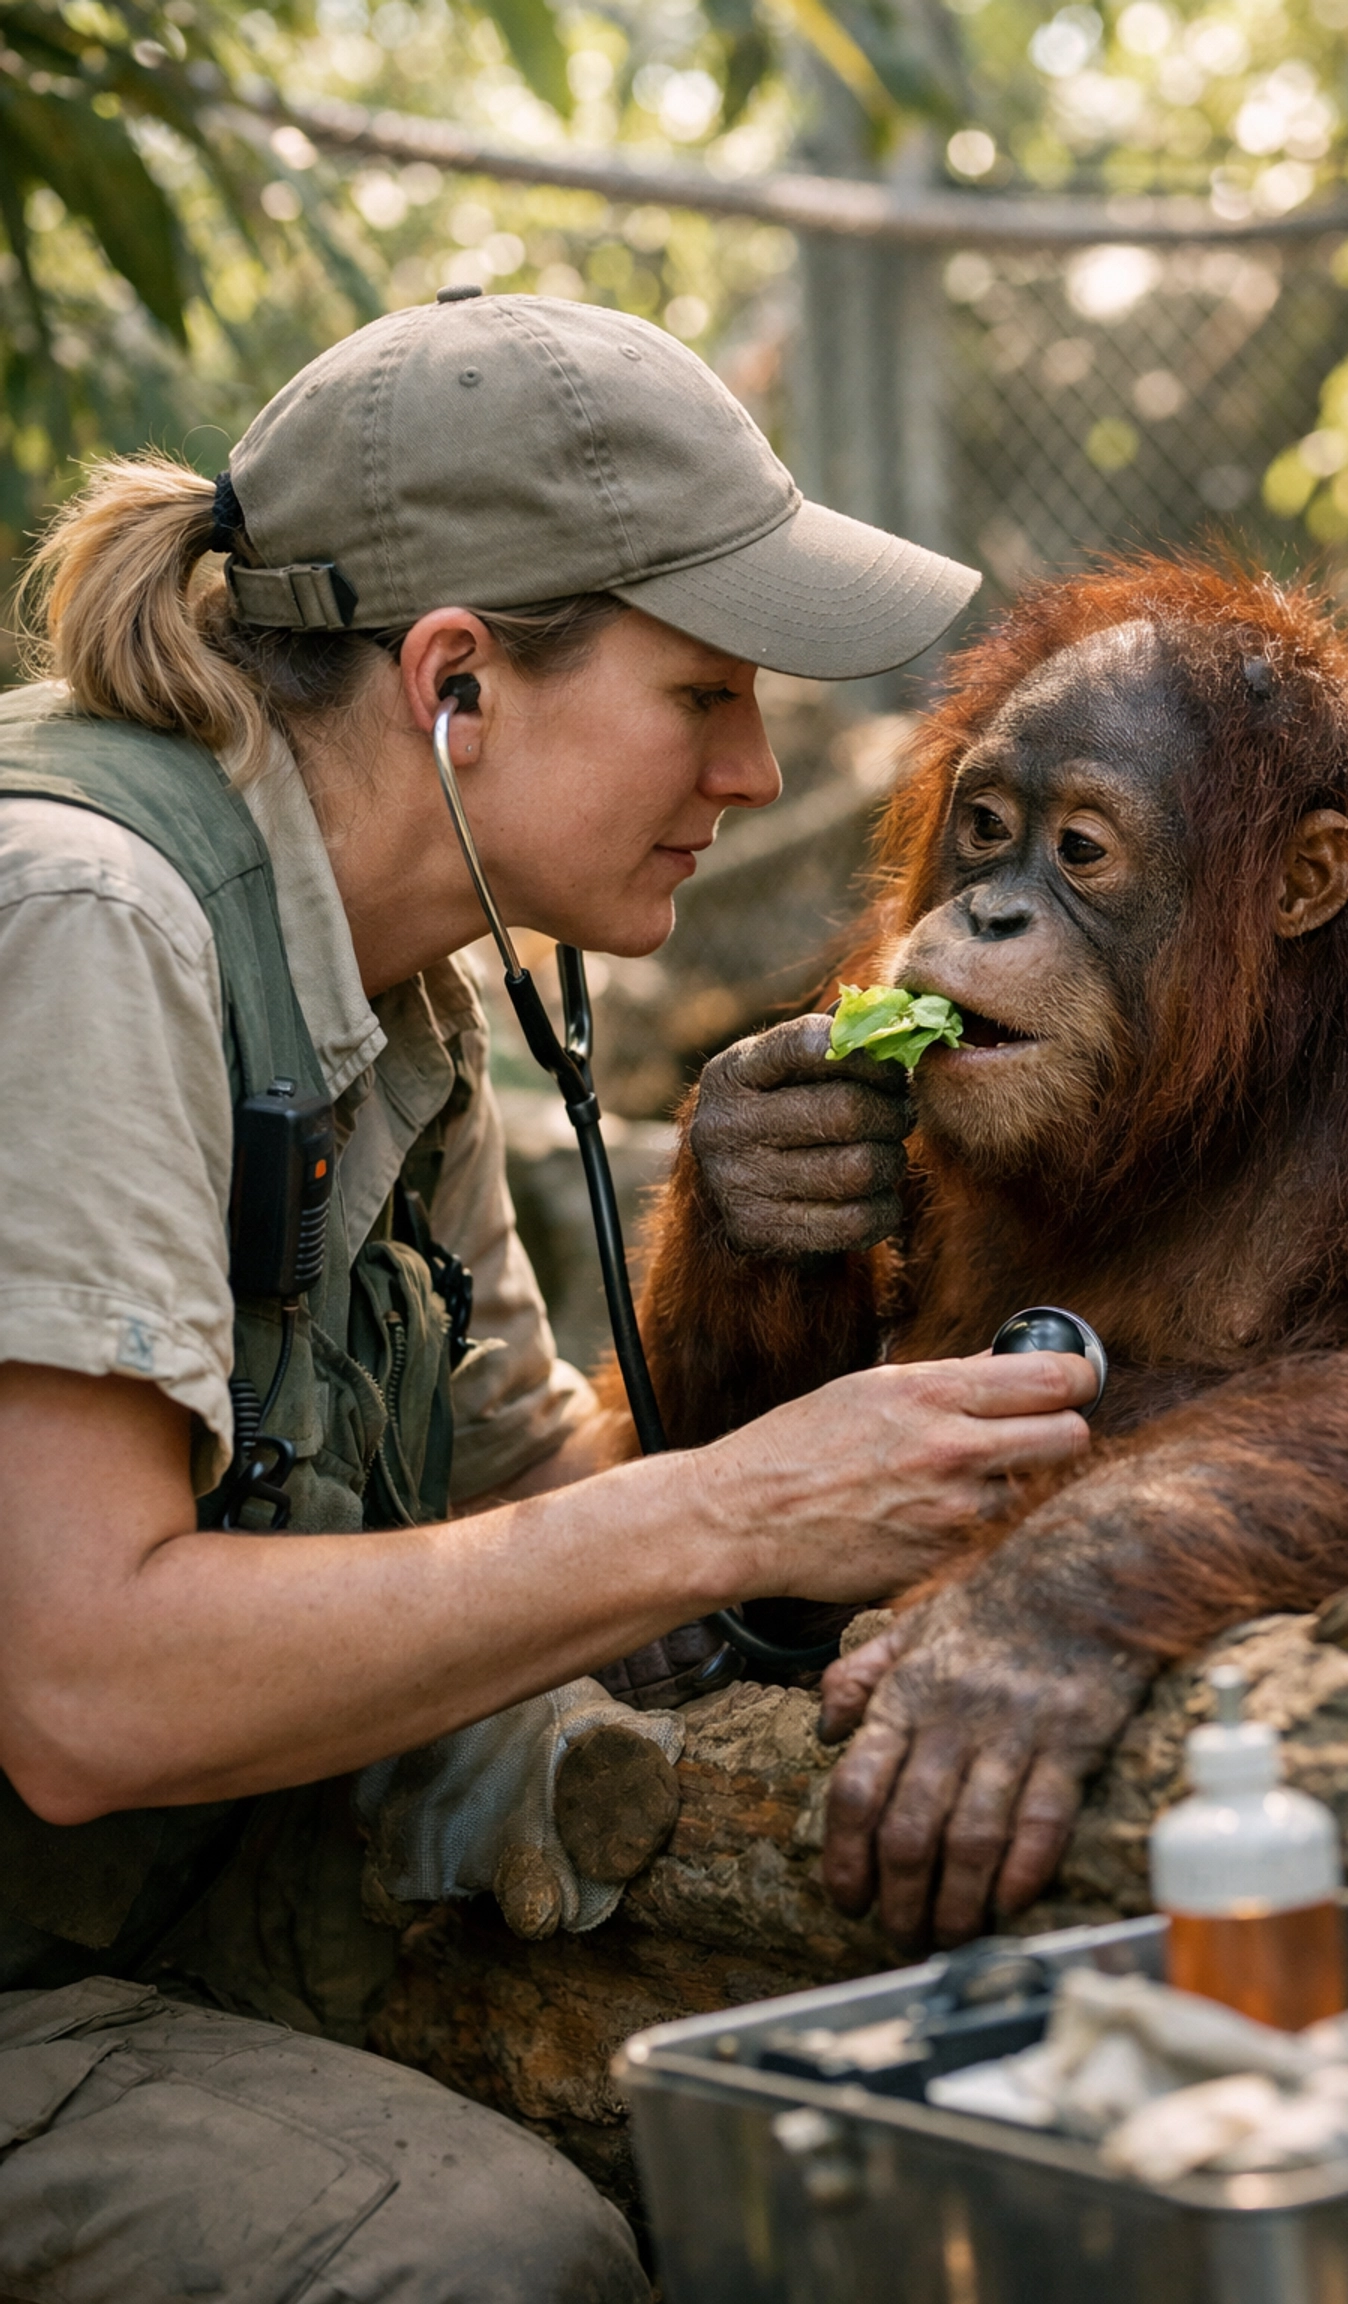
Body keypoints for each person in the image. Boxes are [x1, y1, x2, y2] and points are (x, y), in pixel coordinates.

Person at [0, 289, 1097, 2300]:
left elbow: (532, 1502)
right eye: (702, 695)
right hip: (55, 1947)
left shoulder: (392, 980)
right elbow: (77, 1688)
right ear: (457, 683)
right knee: (496, 2252)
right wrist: (740, 1505)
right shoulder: (89, 922)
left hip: (149, 1906)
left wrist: (755, 1283)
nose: (761, 772)